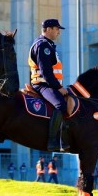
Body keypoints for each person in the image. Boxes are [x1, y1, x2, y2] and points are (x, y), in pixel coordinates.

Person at [28, 19, 69, 152]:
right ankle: (52, 140)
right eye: (57, 29)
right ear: (48, 29)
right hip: (42, 85)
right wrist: (59, 88)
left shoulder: (49, 45)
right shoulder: (43, 46)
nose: (58, 32)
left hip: (48, 85)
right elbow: (46, 72)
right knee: (60, 105)